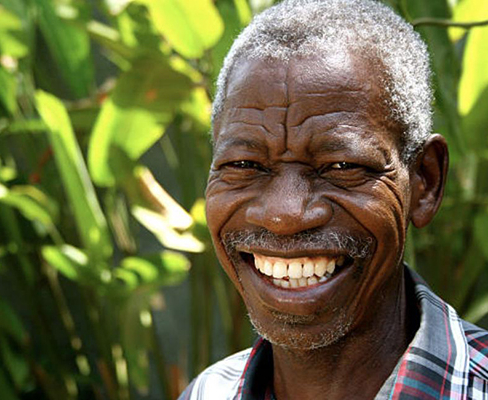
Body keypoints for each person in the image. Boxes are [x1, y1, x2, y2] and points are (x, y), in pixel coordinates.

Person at [179, 0, 488, 398]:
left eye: (341, 166)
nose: (285, 215)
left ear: (425, 181)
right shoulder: (208, 392)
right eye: (244, 164)